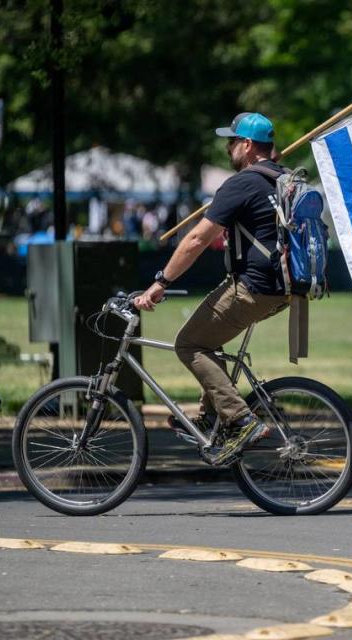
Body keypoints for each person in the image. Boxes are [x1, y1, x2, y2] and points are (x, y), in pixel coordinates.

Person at [134, 112, 289, 465]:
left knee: (189, 343)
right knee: (209, 338)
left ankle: (240, 419)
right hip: (282, 288)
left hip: (254, 286)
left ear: (248, 146)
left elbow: (196, 240)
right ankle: (209, 416)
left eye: (232, 141)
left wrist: (161, 282)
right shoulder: (279, 178)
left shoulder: (243, 183)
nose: (227, 147)